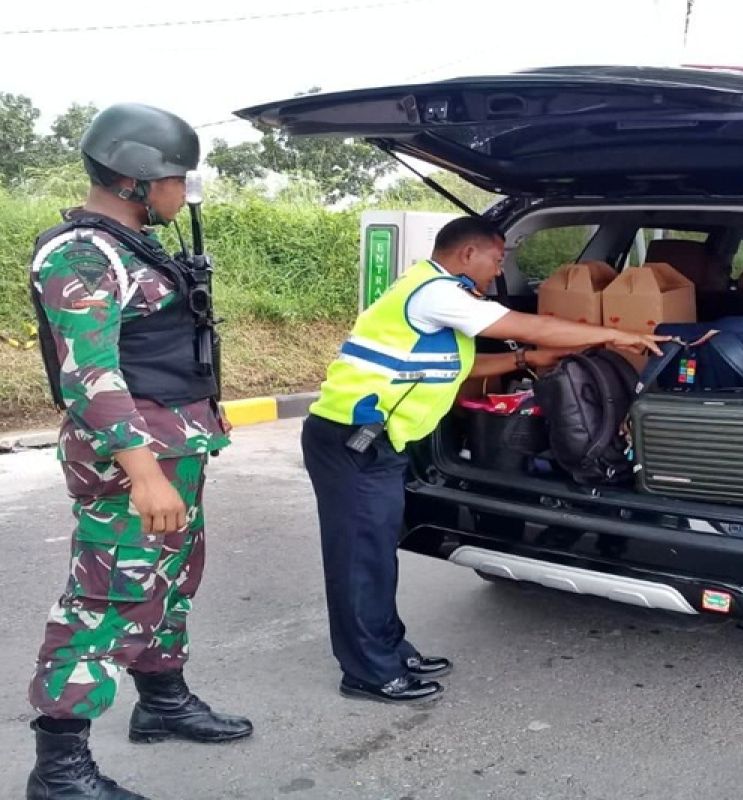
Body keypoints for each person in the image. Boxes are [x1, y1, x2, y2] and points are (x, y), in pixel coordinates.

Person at [301, 216, 665, 705]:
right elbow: (527, 324)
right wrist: (611, 336)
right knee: (359, 559)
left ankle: (389, 647)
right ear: (468, 254)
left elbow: (461, 366)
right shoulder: (435, 292)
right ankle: (367, 671)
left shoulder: (433, 294)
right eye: (497, 258)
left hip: (378, 443)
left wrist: (524, 362)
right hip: (351, 441)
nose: (499, 270)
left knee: (376, 552)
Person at [25, 104, 251, 800]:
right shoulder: (82, 256)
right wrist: (145, 471)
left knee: (169, 584)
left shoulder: (133, 248)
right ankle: (59, 768)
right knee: (105, 599)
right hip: (134, 463)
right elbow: (89, 374)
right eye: (178, 177)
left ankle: (162, 701)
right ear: (137, 179)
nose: (185, 191)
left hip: (172, 451)